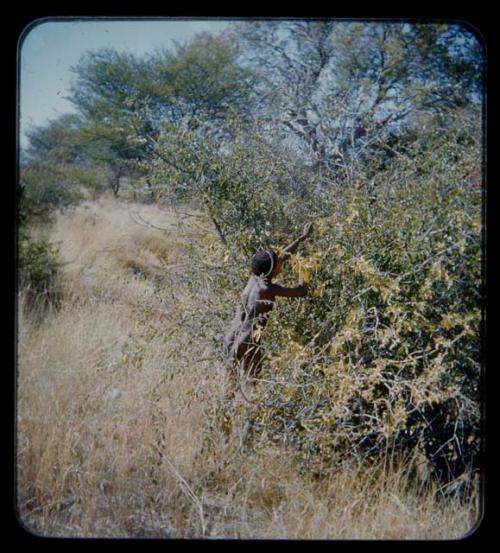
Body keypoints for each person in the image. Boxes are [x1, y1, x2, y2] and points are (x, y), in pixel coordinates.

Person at [223, 222, 313, 381]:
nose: (281, 263)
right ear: (271, 270)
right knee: (252, 385)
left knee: (230, 386)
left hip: (230, 338)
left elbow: (281, 256)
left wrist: (301, 238)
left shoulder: (255, 277)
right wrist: (304, 267)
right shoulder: (267, 290)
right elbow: (302, 291)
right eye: (279, 264)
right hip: (248, 343)